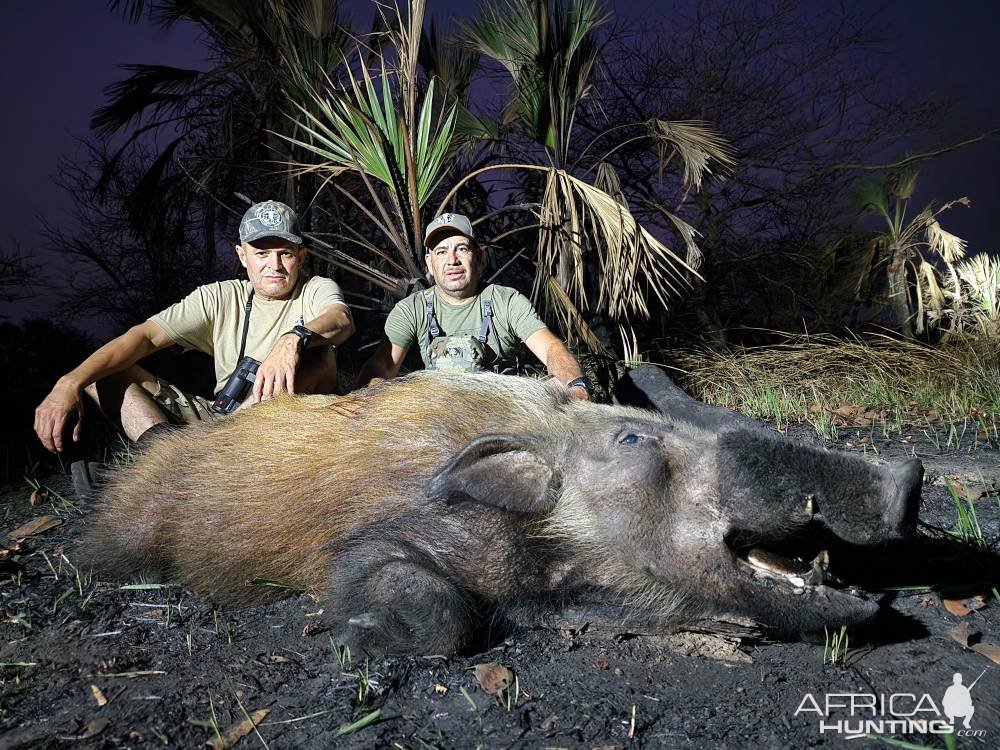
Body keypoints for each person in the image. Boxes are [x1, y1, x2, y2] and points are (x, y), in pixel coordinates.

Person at [34, 199, 355, 457]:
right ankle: (169, 461)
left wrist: (293, 339)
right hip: (219, 420)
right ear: (243, 256)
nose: (274, 265)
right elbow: (144, 336)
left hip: (284, 422)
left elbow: (340, 318)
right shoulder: (219, 297)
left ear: (301, 257)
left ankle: (199, 464)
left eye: (285, 253)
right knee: (100, 373)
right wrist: (69, 382)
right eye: (261, 253)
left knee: (318, 354)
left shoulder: (315, 288)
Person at [357, 212, 593, 399]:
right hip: (434, 415)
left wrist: (576, 385)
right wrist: (364, 399)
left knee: (556, 388)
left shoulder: (506, 300)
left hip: (502, 409)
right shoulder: (411, 309)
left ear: (478, 257)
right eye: (441, 252)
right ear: (430, 263)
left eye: (461, 248)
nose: (452, 260)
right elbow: (384, 364)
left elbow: (551, 347)